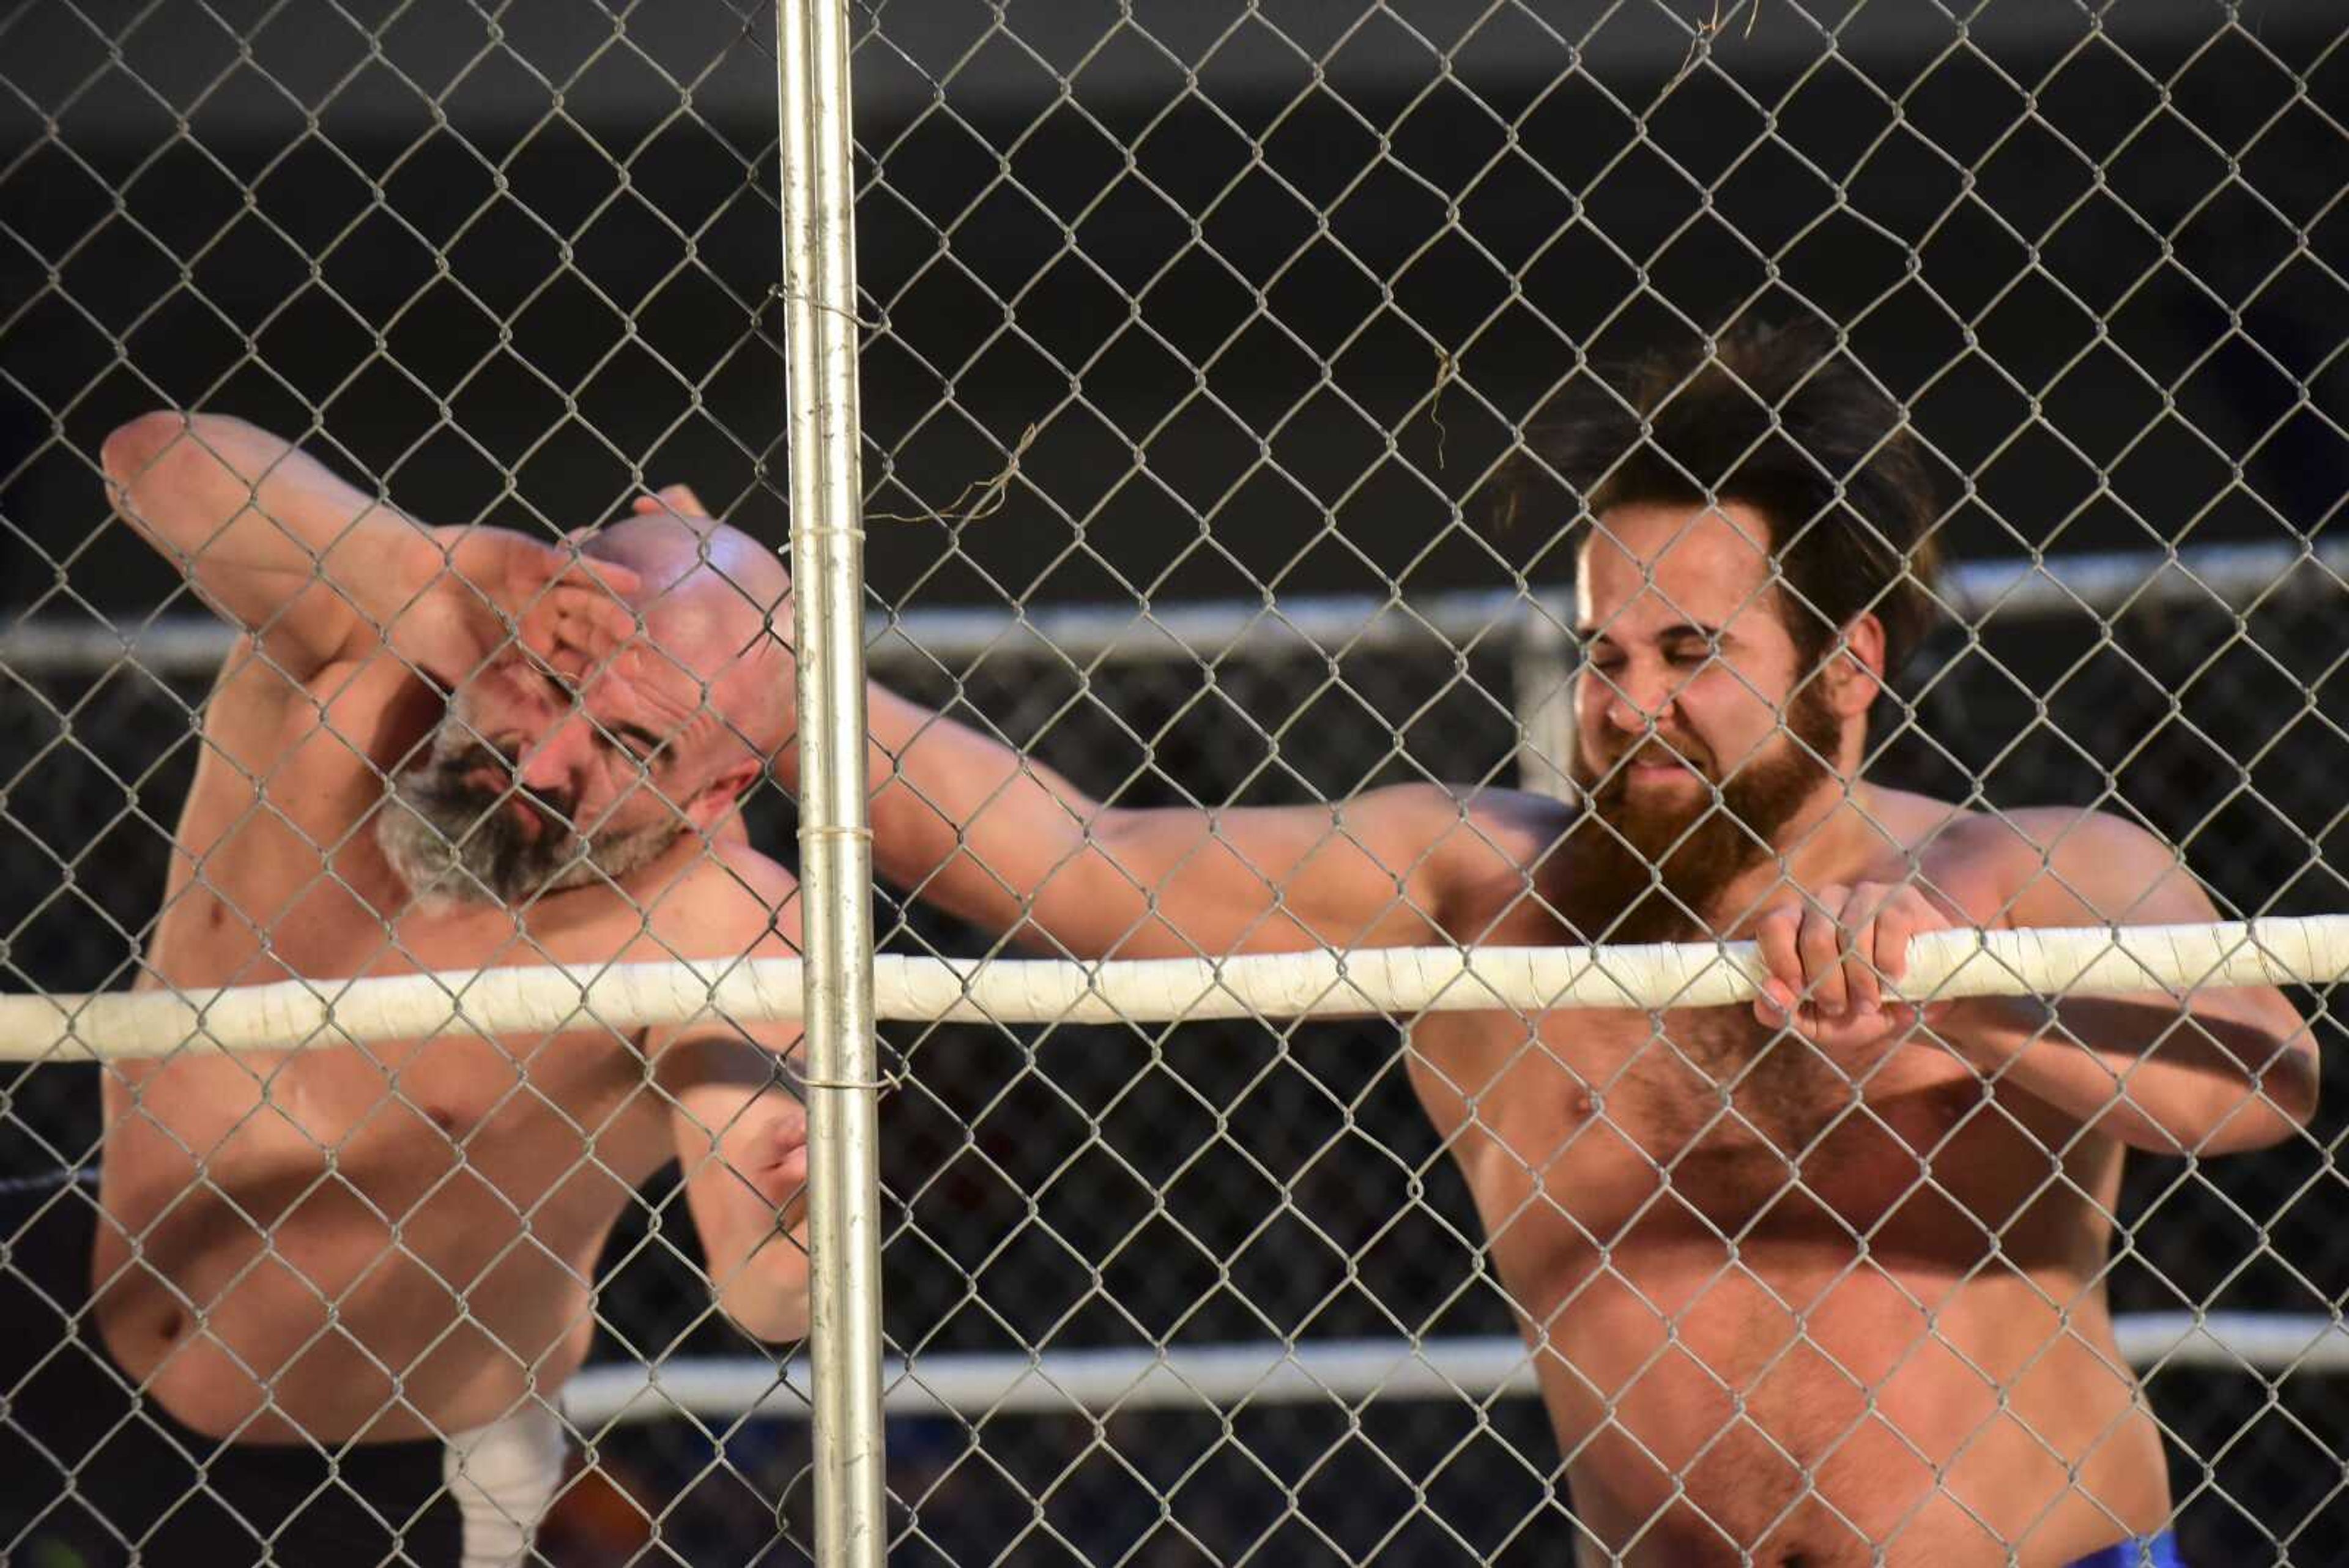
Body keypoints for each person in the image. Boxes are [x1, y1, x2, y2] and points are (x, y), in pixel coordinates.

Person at [757, 323, 2312, 1565]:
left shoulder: (2017, 869)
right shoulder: (1482, 891)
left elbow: (2261, 1076)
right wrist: (756, 668)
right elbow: (1073, 865)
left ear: (1846, 666)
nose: (1631, 703)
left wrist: (1954, 996)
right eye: (1606, 652)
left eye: (1694, 653)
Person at [0, 416, 811, 1567]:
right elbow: (152, 462)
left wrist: (792, 1230)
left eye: (630, 747)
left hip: (376, 1466)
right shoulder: (358, 649)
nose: (539, 763)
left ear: (718, 787)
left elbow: (769, 1290)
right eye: (550, 678)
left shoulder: (715, 922)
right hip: (83, 1284)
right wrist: (452, 571)